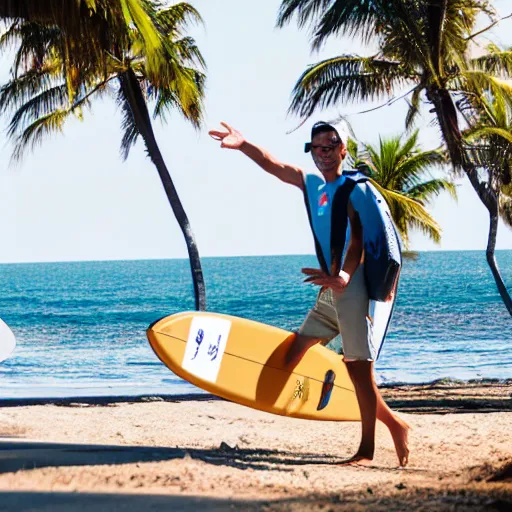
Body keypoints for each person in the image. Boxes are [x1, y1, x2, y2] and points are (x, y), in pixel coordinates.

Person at [208, 121, 410, 467]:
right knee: (297, 346)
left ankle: (368, 449)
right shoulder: (313, 184)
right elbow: (275, 165)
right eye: (316, 148)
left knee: (359, 369)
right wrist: (243, 145)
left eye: (330, 147)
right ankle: (394, 424)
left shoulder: (354, 189)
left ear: (343, 150)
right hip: (330, 288)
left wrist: (345, 276)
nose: (323, 154)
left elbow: (359, 241)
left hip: (352, 285)